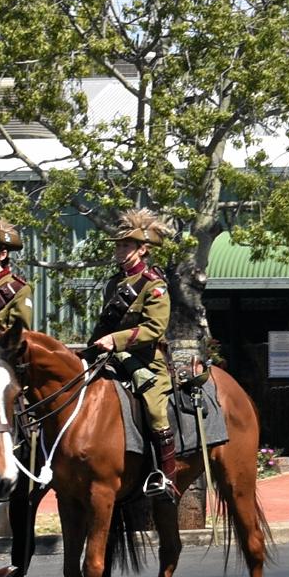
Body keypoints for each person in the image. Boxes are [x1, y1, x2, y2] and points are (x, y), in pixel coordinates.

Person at [90, 208, 176, 499]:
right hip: (112, 357)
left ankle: (166, 476)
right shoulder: (114, 284)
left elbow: (154, 328)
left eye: (126, 245)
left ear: (143, 250)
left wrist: (116, 339)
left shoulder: (155, 285)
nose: (120, 250)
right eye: (118, 245)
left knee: (154, 407)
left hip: (147, 361)